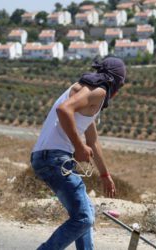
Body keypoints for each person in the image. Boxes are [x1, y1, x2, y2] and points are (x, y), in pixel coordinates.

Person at [30, 57, 126, 250]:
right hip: (54, 158)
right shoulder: (99, 91)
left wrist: (105, 175)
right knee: (83, 218)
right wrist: (78, 147)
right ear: (116, 81)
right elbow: (63, 110)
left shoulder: (88, 92)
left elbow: (93, 141)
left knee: (86, 212)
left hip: (45, 157)